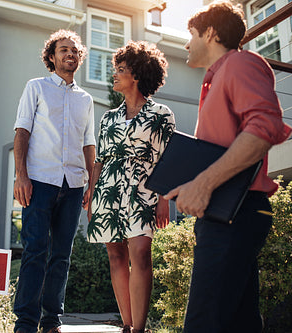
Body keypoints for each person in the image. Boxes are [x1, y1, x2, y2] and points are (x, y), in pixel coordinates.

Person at [162, 2, 292, 332]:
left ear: (209, 33)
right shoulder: (215, 79)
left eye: (189, 35)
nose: (186, 44)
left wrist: (203, 184)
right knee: (240, 323)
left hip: (237, 213)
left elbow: (263, 128)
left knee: (204, 324)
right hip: (225, 214)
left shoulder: (239, 64)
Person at [87, 40, 175, 333]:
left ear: (136, 75)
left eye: (120, 70)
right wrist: (91, 193)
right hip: (108, 190)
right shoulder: (107, 118)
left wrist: (164, 198)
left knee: (140, 253)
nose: (114, 75)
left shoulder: (161, 114)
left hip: (144, 189)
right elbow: (99, 160)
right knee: (116, 256)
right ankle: (126, 325)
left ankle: (139, 328)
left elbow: (168, 157)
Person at [12, 29, 96, 333]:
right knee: (35, 250)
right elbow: (22, 132)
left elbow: (89, 144)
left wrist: (92, 185)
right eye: (63, 50)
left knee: (61, 255)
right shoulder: (36, 88)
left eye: (75, 50)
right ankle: (25, 323)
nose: (70, 54)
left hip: (73, 184)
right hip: (39, 180)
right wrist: (21, 176)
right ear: (52, 56)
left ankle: (51, 322)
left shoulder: (86, 99)